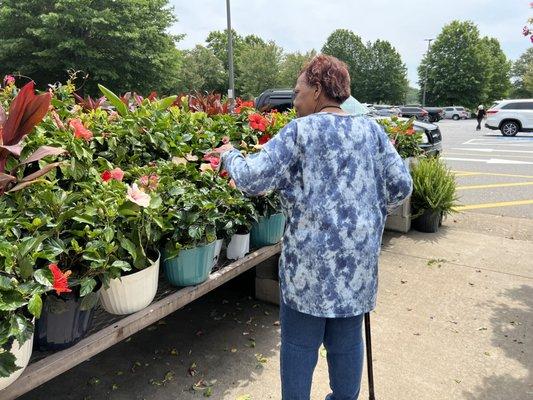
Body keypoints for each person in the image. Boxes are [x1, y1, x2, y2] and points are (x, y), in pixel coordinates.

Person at [216, 54, 412, 400]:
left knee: (299, 346)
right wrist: (367, 213)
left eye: (297, 92)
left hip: (309, 269)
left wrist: (229, 154)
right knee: (347, 343)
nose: (294, 101)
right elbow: (401, 186)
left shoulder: (299, 132)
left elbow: (252, 180)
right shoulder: (372, 131)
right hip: (358, 266)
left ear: (318, 90)